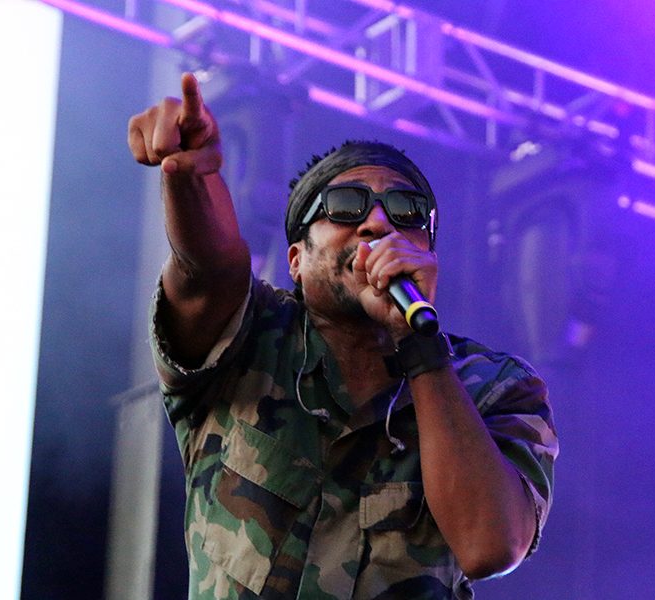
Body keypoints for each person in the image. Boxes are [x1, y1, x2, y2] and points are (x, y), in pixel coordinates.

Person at [127, 72, 558, 600]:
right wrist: (189, 178)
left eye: (406, 211)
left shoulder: (493, 386)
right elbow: (207, 267)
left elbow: (489, 545)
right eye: (346, 205)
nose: (378, 224)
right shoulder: (249, 335)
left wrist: (419, 347)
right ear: (296, 260)